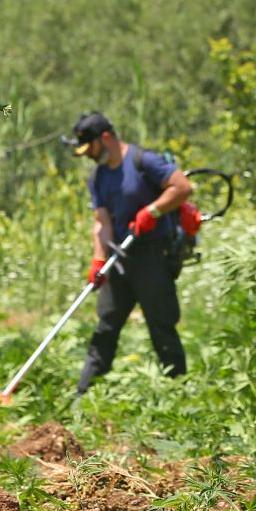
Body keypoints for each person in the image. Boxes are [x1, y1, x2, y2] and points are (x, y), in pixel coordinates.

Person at [70, 111, 193, 395]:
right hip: (119, 262)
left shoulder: (143, 161)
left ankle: (179, 395)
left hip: (152, 258)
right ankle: (83, 397)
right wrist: (98, 260)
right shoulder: (99, 177)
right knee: (106, 328)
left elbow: (182, 187)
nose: (89, 155)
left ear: (106, 137)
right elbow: (102, 222)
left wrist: (153, 211)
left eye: (91, 148)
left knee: (162, 329)